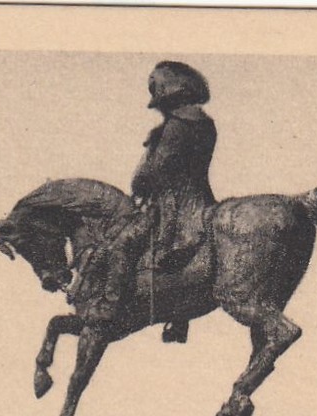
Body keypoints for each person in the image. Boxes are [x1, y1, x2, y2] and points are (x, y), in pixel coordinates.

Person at [76, 61, 217, 342]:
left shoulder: (176, 127)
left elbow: (155, 170)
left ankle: (109, 306)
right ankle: (180, 319)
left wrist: (140, 182)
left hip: (171, 206)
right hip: (200, 200)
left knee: (122, 244)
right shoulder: (204, 123)